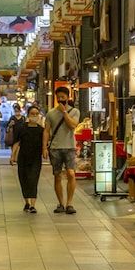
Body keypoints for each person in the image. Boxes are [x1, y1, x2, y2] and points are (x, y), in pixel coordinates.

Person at [43, 86, 81, 215]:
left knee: (71, 173)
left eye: (63, 97)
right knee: (57, 175)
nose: (60, 99)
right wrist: (44, 147)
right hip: (55, 148)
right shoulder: (51, 113)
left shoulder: (75, 111)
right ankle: (61, 203)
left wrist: (64, 112)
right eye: (58, 97)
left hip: (70, 146)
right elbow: (47, 130)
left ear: (68, 98)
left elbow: (72, 126)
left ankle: (70, 203)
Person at [12, 104, 44, 212]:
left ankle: (33, 205)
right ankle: (27, 202)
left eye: (36, 114)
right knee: (24, 180)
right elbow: (16, 142)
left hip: (36, 158)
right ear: (28, 115)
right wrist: (13, 156)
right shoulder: (22, 128)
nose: (34, 116)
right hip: (23, 158)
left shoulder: (41, 130)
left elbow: (45, 144)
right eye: (32, 114)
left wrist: (45, 151)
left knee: (33, 180)